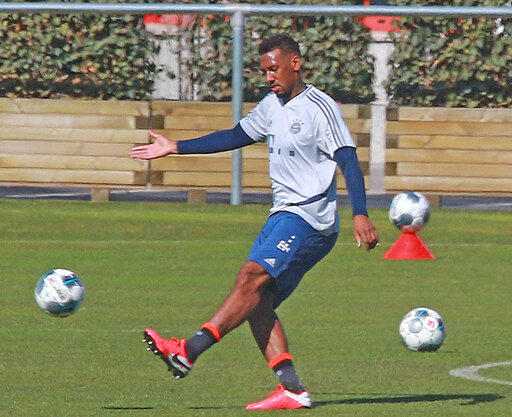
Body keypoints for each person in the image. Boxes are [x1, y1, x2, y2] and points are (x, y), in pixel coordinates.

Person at [130, 33, 380, 409]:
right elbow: (234, 135)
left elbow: (347, 160)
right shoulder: (271, 106)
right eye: (264, 70)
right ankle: (292, 389)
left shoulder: (320, 107)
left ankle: (188, 350)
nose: (269, 77)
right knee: (256, 301)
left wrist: (360, 213)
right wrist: (175, 147)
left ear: (295, 63)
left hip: (309, 217)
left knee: (249, 279)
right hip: (283, 214)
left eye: (274, 68)